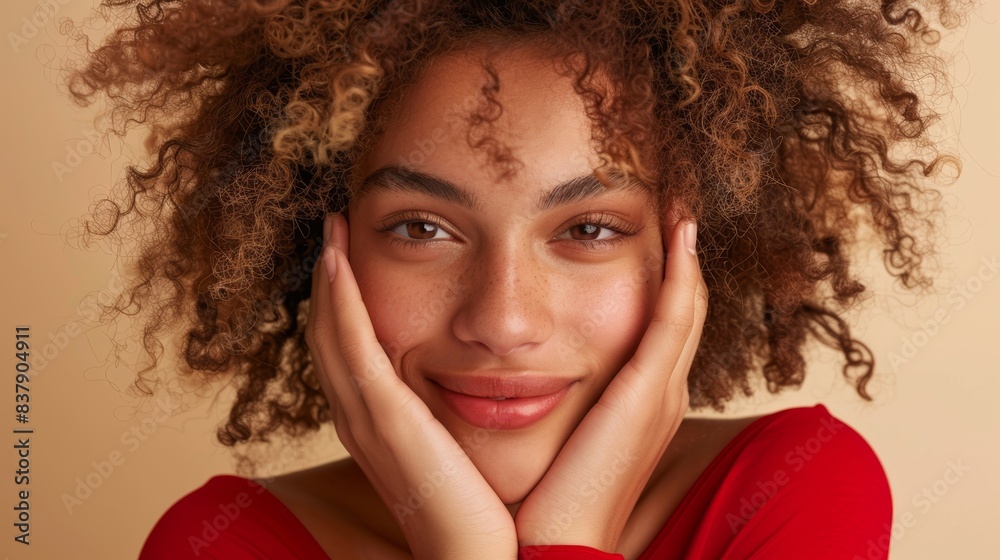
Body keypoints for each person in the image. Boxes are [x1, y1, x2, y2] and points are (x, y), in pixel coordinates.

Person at [62, 0, 963, 558]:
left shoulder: (787, 491)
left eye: (588, 229)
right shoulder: (227, 548)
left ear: (681, 254)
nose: (502, 321)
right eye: (422, 229)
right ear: (319, 245)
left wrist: (559, 542)